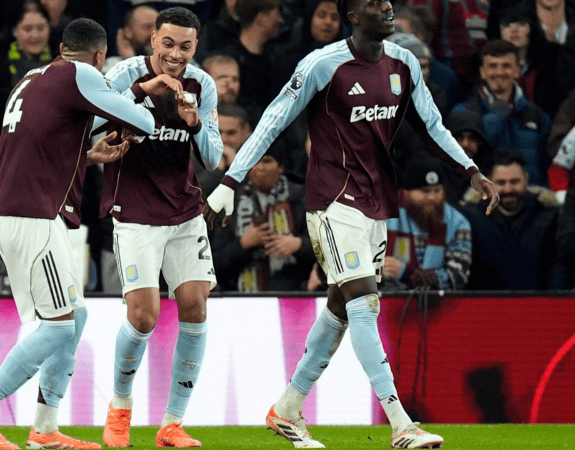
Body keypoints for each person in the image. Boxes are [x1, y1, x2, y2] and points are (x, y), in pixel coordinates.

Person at [203, 0, 499, 446]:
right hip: (332, 203)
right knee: (365, 302)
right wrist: (229, 181)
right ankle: (401, 424)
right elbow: (272, 121)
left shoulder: (404, 65)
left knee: (341, 308)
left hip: (376, 204)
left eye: (387, 2)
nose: (386, 7)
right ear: (353, 16)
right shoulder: (323, 64)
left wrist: (472, 170)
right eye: (373, 4)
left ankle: (286, 409)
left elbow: (433, 125)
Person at [0, 18, 156, 450]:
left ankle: (45, 429)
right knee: (60, 326)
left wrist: (86, 154)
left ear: (61, 46)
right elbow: (142, 121)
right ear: (100, 56)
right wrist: (143, 92)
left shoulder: (33, 78)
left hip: (20, 208)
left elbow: (42, 142)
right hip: (31, 213)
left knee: (74, 316)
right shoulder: (81, 74)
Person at [98, 7, 223, 448]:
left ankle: (172, 423)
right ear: (152, 39)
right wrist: (139, 93)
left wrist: (193, 123)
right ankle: (119, 410)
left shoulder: (202, 84)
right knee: (144, 316)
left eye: (185, 46)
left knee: (194, 305)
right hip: (133, 211)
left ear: (195, 46)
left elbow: (213, 156)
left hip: (185, 211)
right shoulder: (121, 74)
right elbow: (92, 123)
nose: (175, 54)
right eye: (167, 43)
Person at [462, 147, 569, 290]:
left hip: (537, 307)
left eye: (515, 181)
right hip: (485, 307)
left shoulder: (548, 219)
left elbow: (558, 271)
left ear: (526, 179)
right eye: (500, 183)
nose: (508, 189)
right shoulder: (471, 218)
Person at [211, 146, 313, 291]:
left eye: (267, 161)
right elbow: (214, 266)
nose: (259, 168)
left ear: (281, 167)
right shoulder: (231, 201)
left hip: (296, 295)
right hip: (242, 298)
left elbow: (327, 251)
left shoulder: (304, 197)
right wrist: (243, 244)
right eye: (254, 161)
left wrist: (299, 245)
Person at [451, 39, 552, 187]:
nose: (499, 72)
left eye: (506, 66)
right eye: (493, 66)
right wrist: (496, 116)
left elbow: (548, 162)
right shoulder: (463, 113)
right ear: (482, 72)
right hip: (484, 200)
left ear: (518, 70)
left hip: (530, 201)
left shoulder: (536, 114)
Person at [383, 155, 472, 290]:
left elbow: (457, 278)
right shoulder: (383, 215)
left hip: (438, 306)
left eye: (437, 191)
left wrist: (407, 273)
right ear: (406, 192)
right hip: (385, 303)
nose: (432, 197)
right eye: (425, 191)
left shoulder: (458, 223)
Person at [0, 0, 54, 157]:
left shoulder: (63, 61)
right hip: (10, 147)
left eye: (41, 28)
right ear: (15, 31)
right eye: (27, 29)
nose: (35, 35)